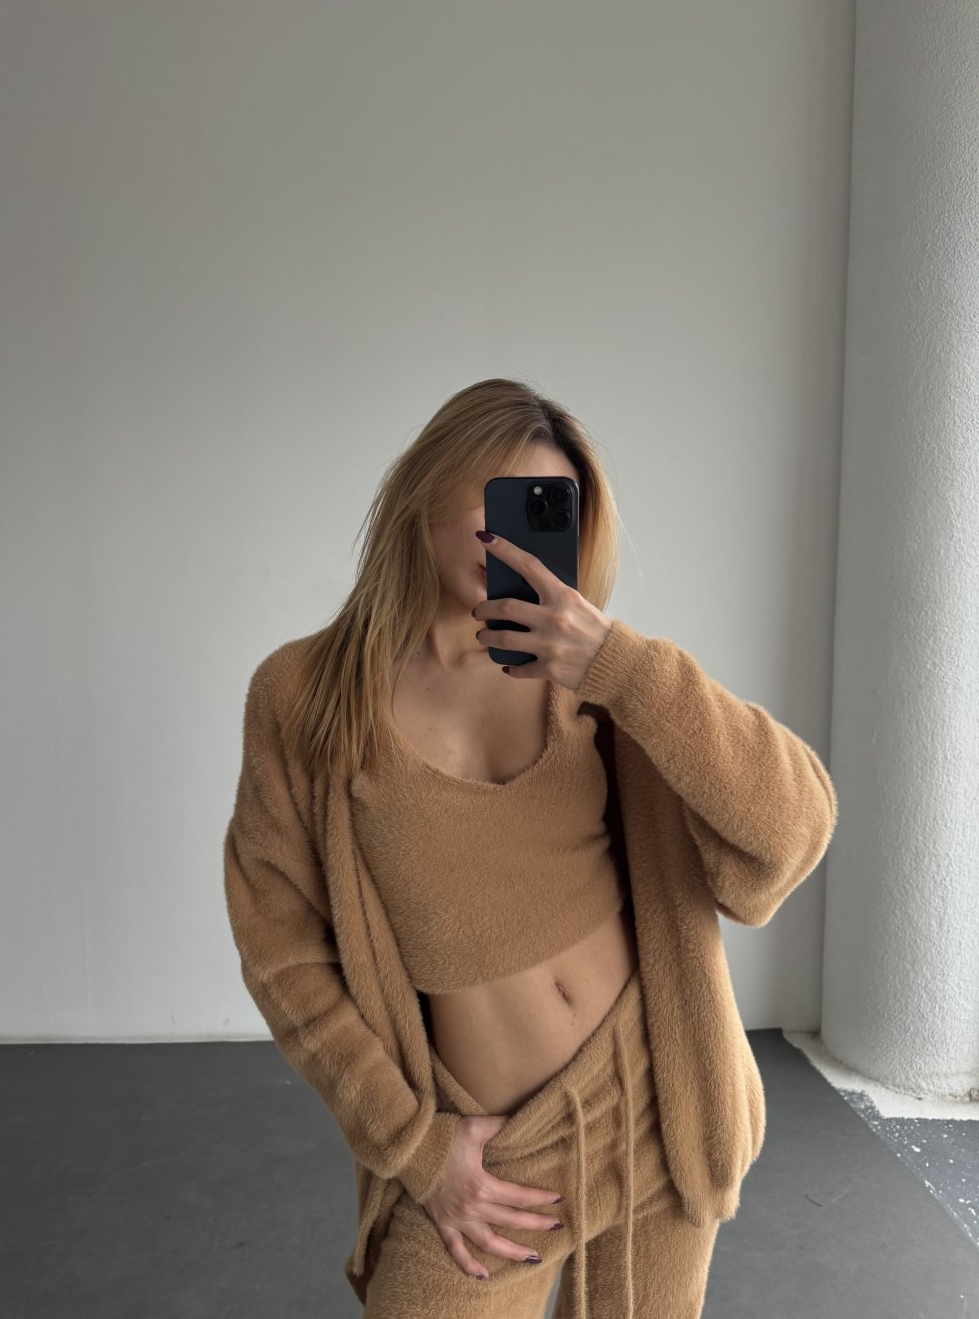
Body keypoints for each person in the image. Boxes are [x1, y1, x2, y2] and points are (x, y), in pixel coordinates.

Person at [222, 378, 839, 1318]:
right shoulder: (305, 694)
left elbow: (793, 829)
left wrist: (623, 668)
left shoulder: (594, 672)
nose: (507, 532)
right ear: (425, 488)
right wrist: (416, 1147)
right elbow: (282, 953)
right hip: (498, 1154)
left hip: (658, 1104)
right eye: (494, 492)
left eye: (543, 507)